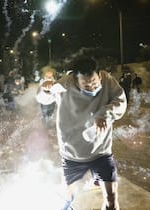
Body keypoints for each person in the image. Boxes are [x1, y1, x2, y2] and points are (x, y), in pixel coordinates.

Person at [36, 57, 127, 210]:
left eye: (94, 82)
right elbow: (43, 98)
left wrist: (104, 114)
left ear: (100, 75)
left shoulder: (108, 80)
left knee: (111, 198)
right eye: (86, 84)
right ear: (75, 80)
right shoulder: (64, 84)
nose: (91, 87)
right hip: (72, 154)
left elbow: (121, 101)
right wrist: (44, 89)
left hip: (101, 151)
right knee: (68, 198)